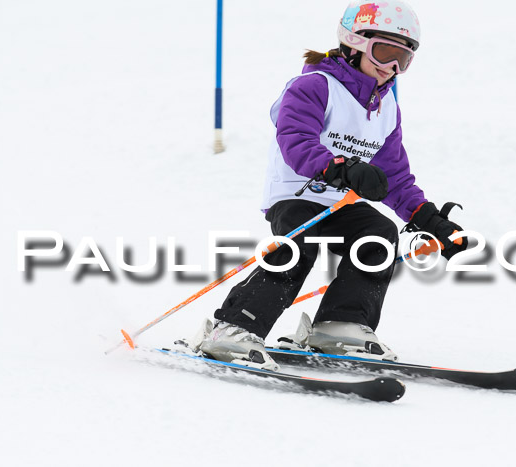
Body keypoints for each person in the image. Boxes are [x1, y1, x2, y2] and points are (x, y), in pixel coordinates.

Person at [178, 1, 466, 371]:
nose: (392, 68)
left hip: (340, 200)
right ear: (354, 43)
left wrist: (430, 220)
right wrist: (342, 169)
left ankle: (339, 325)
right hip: (296, 193)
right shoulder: (315, 85)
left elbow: (394, 176)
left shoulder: (387, 106)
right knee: (302, 243)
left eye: (403, 59)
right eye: (384, 53)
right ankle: (233, 328)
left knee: (378, 232)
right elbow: (296, 139)